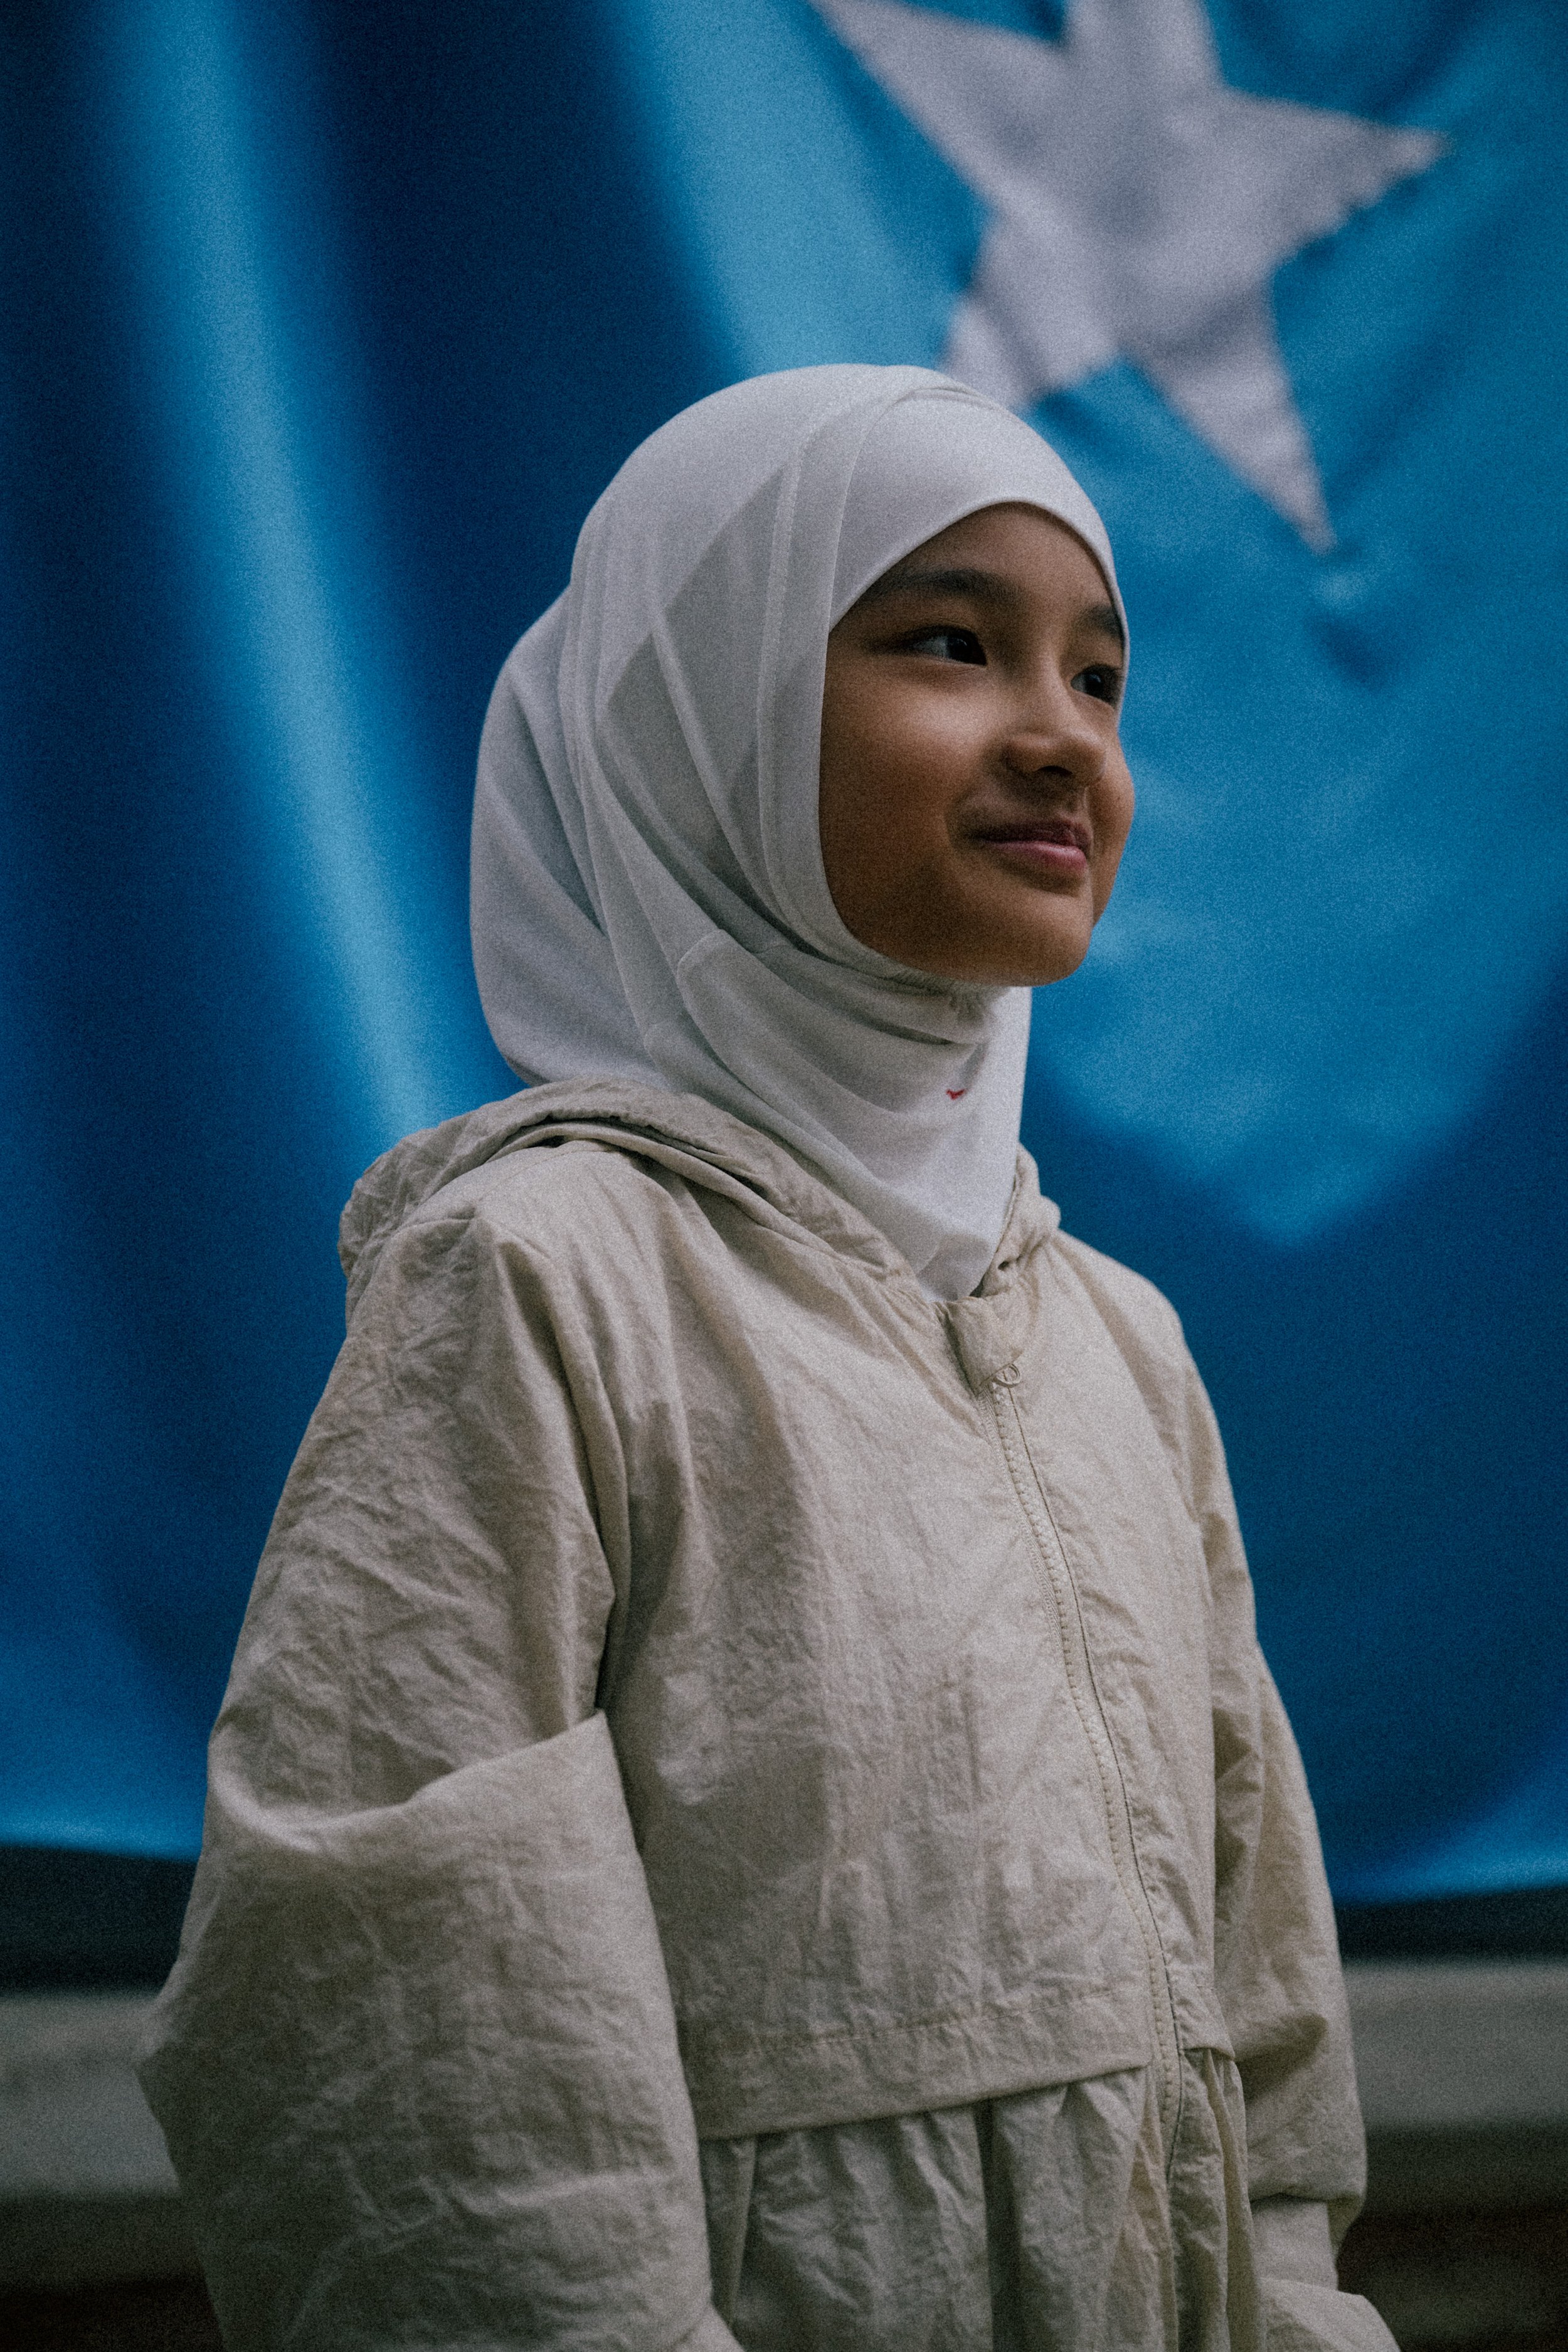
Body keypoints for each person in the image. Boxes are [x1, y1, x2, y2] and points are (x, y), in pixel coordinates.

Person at [140, 364, 1394, 2352]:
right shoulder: (543, 1274)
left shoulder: (1113, 1340)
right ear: (697, 714)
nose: (1058, 736)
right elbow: (414, 2036)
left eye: (1097, 677)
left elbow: (1255, 1988)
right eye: (949, 645)